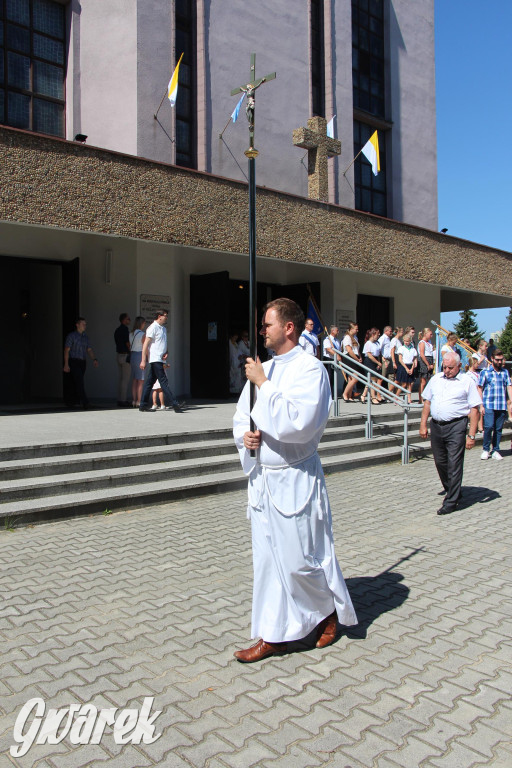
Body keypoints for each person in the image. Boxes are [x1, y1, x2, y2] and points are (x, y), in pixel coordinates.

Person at [232, 298, 357, 662]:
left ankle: (326, 611)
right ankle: (273, 634)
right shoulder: (263, 369)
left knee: (299, 561)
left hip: (296, 479)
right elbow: (242, 416)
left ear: (289, 327)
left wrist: (265, 385)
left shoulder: (310, 370)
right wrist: (246, 438)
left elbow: (299, 424)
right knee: (268, 562)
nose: (262, 330)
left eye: (268, 324)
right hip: (263, 481)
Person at [419, 352, 481, 515]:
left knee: (454, 463)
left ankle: (451, 501)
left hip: (456, 426)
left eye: (450, 368)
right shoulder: (436, 379)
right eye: (444, 367)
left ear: (459, 366)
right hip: (437, 426)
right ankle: (454, 490)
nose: (446, 370)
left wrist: (472, 435)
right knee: (441, 462)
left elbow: (475, 409)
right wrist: (423, 425)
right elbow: (427, 402)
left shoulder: (467, 382)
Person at [139, 310, 183, 412]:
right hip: (155, 359)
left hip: (160, 359)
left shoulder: (163, 329)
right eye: (165, 316)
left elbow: (163, 343)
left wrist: (166, 351)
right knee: (163, 381)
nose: (166, 318)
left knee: (150, 382)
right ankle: (174, 403)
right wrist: (143, 360)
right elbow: (145, 344)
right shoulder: (153, 328)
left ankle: (143, 405)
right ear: (159, 316)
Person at [478, 349, 512, 461]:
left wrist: (511, 402)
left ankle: (496, 450)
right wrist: (481, 405)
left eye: (501, 359)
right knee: (488, 427)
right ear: (492, 359)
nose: (499, 362)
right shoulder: (485, 372)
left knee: (498, 429)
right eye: (497, 359)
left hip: (501, 405)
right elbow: (480, 388)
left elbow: (509, 387)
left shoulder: (504, 372)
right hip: (489, 404)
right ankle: (485, 449)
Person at [63, 317, 99, 409]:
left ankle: (72, 401)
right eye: (83, 324)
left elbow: (89, 349)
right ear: (77, 325)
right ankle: (85, 402)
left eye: (85, 324)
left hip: (82, 361)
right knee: (79, 381)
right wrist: (66, 363)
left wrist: (94, 359)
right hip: (73, 360)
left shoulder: (85, 337)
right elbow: (67, 350)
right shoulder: (71, 336)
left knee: (77, 381)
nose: (85, 326)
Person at [114, 312, 131, 407]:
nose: (129, 321)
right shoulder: (125, 330)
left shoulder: (117, 330)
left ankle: (119, 399)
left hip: (119, 355)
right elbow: (127, 342)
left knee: (121, 379)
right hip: (125, 356)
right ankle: (123, 400)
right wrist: (130, 351)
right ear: (124, 320)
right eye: (128, 319)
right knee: (125, 379)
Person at [362, 327, 383, 404]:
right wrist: (378, 362)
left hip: (375, 360)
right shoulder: (368, 343)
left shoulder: (377, 343)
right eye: (378, 334)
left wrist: (379, 362)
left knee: (372, 380)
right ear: (373, 334)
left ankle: (363, 395)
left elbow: (379, 354)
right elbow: (369, 355)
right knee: (372, 380)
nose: (379, 335)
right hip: (369, 361)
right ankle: (373, 397)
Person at [341, 322, 361, 402]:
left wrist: (360, 357)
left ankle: (349, 395)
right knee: (355, 378)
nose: (357, 330)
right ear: (351, 329)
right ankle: (345, 394)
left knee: (351, 379)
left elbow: (357, 350)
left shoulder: (355, 337)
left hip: (355, 358)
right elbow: (349, 350)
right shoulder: (347, 337)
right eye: (356, 329)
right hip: (349, 358)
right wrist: (356, 359)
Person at [130, 316, 146, 407]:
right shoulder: (142, 334)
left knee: (135, 379)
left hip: (132, 355)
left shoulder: (131, 334)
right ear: (141, 324)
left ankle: (134, 400)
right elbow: (144, 347)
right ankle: (139, 400)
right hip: (140, 355)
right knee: (141, 380)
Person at [396, 331, 417, 403]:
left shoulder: (413, 349)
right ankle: (396, 396)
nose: (406, 342)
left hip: (410, 365)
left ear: (410, 341)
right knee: (403, 384)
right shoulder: (401, 348)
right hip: (403, 366)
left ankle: (409, 398)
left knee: (409, 384)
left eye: (407, 341)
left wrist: (412, 368)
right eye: (405, 341)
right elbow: (400, 359)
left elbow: (414, 359)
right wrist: (406, 368)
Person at [322, 325, 341, 398]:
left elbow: (338, 350)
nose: (338, 332)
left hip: (335, 360)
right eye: (337, 330)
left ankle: (333, 393)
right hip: (329, 359)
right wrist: (337, 355)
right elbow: (329, 349)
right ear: (332, 331)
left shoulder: (336, 340)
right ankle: (328, 394)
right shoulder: (327, 339)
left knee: (333, 377)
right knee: (329, 377)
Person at [418, 327, 435, 403]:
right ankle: (420, 398)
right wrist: (427, 364)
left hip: (430, 359)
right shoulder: (422, 342)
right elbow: (422, 354)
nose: (431, 336)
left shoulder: (429, 342)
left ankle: (428, 397)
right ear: (425, 334)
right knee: (423, 381)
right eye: (430, 334)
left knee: (429, 380)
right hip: (424, 361)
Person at [389, 326, 404, 395]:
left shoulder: (398, 340)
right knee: (397, 379)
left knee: (398, 378)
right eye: (402, 332)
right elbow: (392, 351)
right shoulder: (394, 340)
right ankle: (388, 393)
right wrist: (394, 362)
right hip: (396, 358)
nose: (403, 333)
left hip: (399, 358)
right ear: (398, 332)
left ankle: (395, 393)